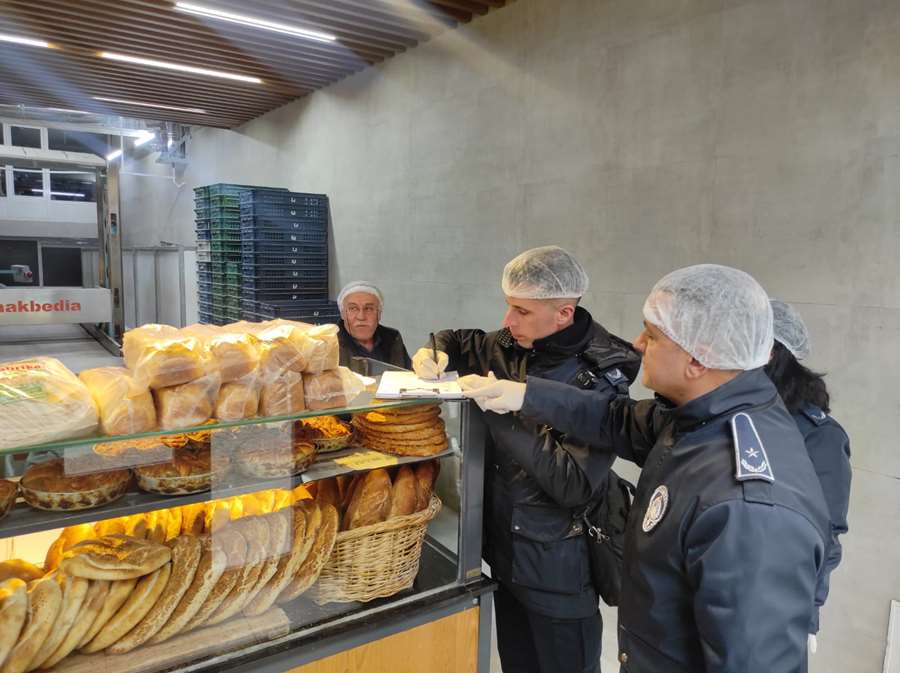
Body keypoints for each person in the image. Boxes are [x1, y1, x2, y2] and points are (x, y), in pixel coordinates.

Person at [461, 264, 831, 673]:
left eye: (652, 336)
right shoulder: (703, 415)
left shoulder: (747, 505)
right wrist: (525, 396)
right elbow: (614, 420)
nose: (637, 344)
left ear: (698, 358)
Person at [411, 245, 641, 673]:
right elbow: (461, 340)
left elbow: (572, 483)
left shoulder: (600, 378)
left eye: (521, 311)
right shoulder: (508, 345)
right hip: (502, 554)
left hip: (558, 566)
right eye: (507, 307)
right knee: (517, 661)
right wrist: (433, 349)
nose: (507, 321)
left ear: (564, 314)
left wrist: (501, 412)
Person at [766, 299, 851, 650]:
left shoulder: (818, 436)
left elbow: (824, 532)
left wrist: (807, 614)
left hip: (771, 606)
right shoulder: (723, 416)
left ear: (769, 355)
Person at [336, 281, 411, 369]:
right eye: (353, 308)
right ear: (342, 314)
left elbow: (405, 374)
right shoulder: (328, 344)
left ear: (379, 314)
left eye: (369, 309)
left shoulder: (392, 338)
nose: (361, 317)